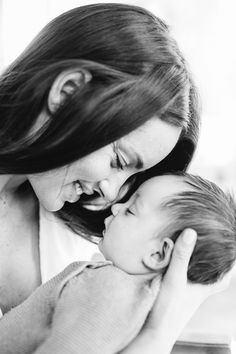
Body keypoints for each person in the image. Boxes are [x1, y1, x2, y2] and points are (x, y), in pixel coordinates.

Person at [0, 3, 230, 353]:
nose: (111, 195)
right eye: (120, 160)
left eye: (133, 178)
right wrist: (156, 338)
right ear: (68, 92)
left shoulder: (87, 244)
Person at [1, 172, 235, 354]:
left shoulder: (110, 290)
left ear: (158, 254)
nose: (115, 206)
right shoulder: (136, 305)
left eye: (131, 210)